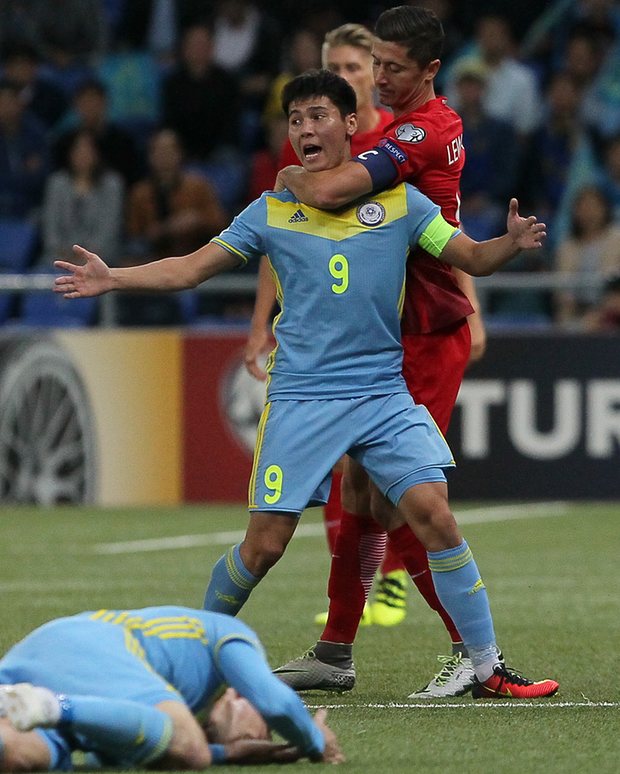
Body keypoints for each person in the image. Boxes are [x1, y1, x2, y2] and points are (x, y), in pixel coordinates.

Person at [54, 68, 557, 702]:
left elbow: (471, 259)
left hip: (382, 393)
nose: (305, 129)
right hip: (302, 400)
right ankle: (190, 656)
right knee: (264, 546)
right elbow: (190, 269)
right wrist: (114, 278)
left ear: (350, 125)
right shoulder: (272, 211)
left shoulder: (400, 204)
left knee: (435, 515)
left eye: (318, 116)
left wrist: (509, 244)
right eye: (295, 120)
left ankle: (486, 667)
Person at [273, 6, 488, 699]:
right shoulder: (390, 132)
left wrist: (289, 181)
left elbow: (336, 198)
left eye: (386, 68)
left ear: (427, 70)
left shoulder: (420, 132)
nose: (378, 77)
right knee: (360, 488)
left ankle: (471, 652)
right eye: (372, 66)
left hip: (424, 329)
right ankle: (336, 649)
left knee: (409, 498)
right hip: (392, 333)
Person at [243, 22, 399, 631]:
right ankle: (353, 606)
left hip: (397, 323)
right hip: (330, 340)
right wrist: (262, 322)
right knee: (345, 474)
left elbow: (441, 226)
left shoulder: (396, 143)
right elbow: (277, 240)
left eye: (354, 68)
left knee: (390, 479)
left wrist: (471, 307)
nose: (344, 77)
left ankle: (387, 581)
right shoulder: (306, 151)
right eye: (335, 67)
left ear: (374, 77)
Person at [0, 605, 343, 769]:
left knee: (21, 757)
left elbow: (108, 754)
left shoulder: (149, 716)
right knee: (191, 749)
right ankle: (49, 706)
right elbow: (277, 704)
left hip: (34, 667)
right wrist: (314, 741)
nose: (259, 735)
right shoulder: (227, 634)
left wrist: (226, 755)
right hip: (92, 643)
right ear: (238, 694)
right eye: (264, 730)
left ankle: (36, 708)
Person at [39, 129, 124, 268]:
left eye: (88, 150)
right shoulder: (57, 183)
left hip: (101, 255)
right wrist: (60, 252)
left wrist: (88, 255)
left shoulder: (111, 184)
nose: (83, 155)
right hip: (59, 255)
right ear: (70, 154)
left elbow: (110, 227)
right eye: (78, 150)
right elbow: (50, 225)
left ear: (97, 153)